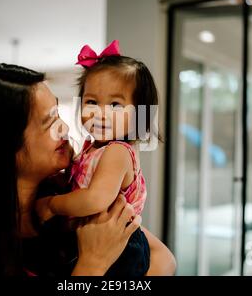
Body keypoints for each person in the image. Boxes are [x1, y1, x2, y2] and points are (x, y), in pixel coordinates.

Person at [0, 62, 175, 276]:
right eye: (49, 121)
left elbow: (163, 258)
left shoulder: (65, 195)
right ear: (4, 146)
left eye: (58, 112)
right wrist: (92, 264)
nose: (64, 127)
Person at [36, 40, 165, 276]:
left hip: (122, 248)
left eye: (115, 104)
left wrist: (53, 205)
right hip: (95, 238)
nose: (100, 113)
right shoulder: (92, 148)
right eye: (92, 101)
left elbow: (95, 199)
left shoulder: (117, 153)